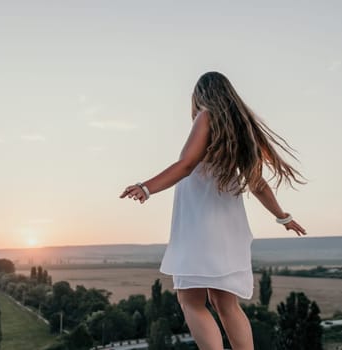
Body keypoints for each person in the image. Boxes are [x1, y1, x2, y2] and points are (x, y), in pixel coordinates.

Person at [120, 71, 306, 350]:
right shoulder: (236, 135)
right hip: (229, 233)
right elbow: (259, 185)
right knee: (225, 304)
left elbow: (186, 164)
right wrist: (283, 217)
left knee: (190, 301)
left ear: (200, 96)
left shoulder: (205, 117)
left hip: (199, 230)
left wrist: (146, 187)